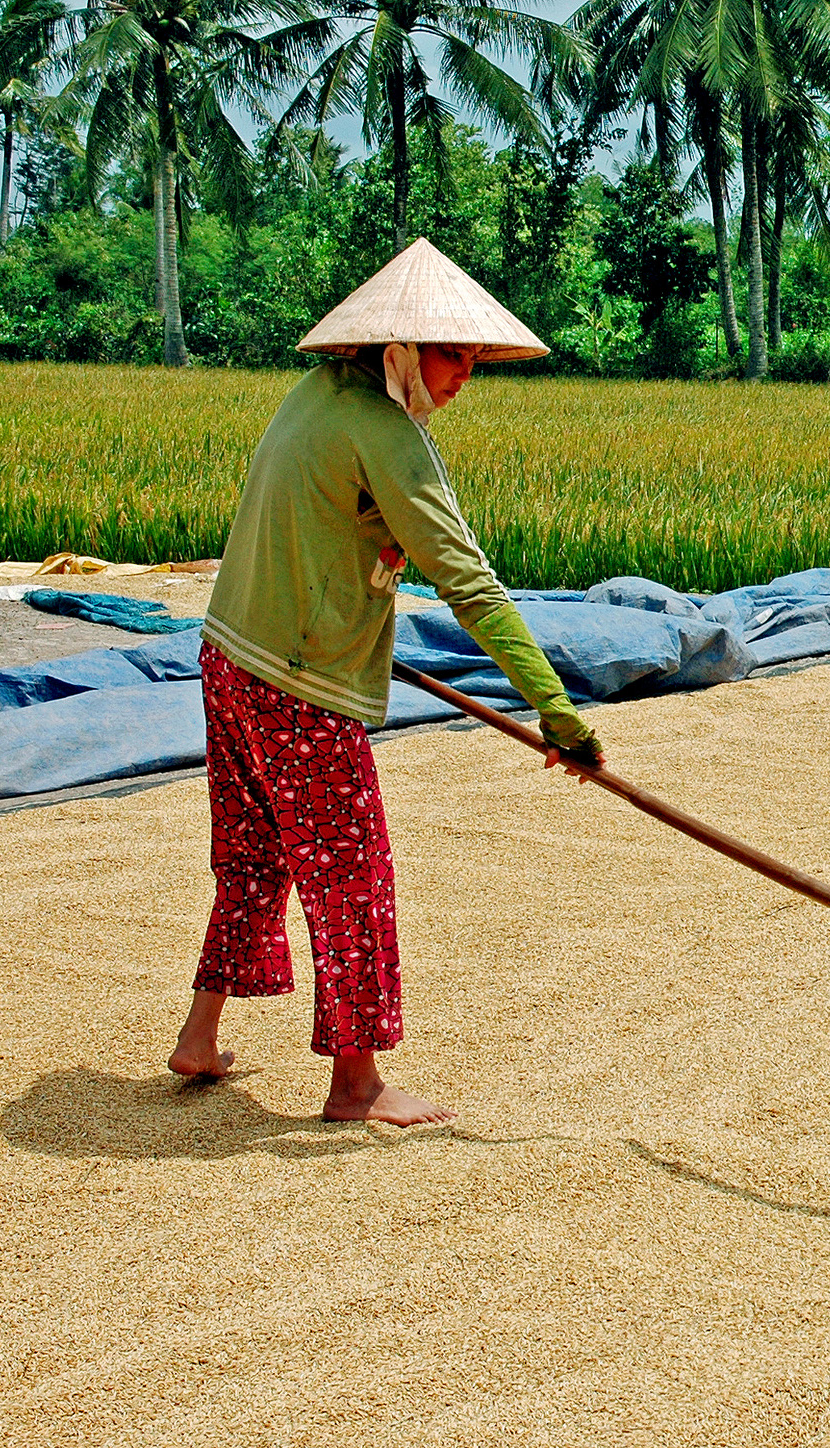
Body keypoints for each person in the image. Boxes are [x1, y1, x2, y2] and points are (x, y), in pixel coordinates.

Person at [167, 238, 605, 1125]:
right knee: (352, 869)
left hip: (230, 658)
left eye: (476, 360)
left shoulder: (314, 397)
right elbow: (470, 583)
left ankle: (200, 1035)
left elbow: (323, 534)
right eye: (454, 355)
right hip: (296, 687)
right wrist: (561, 717)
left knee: (256, 857)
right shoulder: (386, 432)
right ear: (398, 349)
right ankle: (356, 1085)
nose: (464, 377)